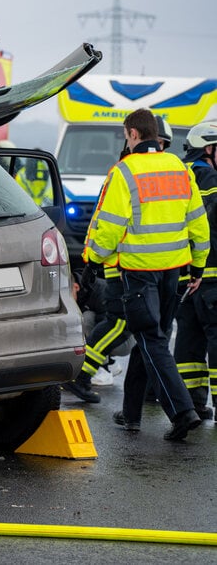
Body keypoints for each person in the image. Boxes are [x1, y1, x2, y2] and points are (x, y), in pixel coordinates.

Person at [83, 108, 209, 441]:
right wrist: (197, 266)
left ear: (133, 133)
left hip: (139, 272)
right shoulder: (180, 168)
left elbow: (109, 228)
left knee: (151, 340)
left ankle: (183, 413)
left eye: (126, 135)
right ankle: (132, 414)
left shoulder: (125, 172)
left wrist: (92, 260)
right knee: (150, 339)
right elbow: (198, 222)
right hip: (175, 272)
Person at [173, 120, 217, 422]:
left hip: (181, 275)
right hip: (211, 273)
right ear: (210, 148)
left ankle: (193, 403)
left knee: (189, 340)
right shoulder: (211, 177)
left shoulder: (175, 176)